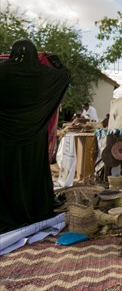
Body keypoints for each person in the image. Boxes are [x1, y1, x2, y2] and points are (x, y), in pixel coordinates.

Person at [0, 39, 70, 233]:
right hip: (34, 138)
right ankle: (31, 211)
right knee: (31, 174)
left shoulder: (2, 71)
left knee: (6, 175)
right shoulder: (42, 75)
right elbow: (64, 75)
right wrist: (52, 58)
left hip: (4, 138)